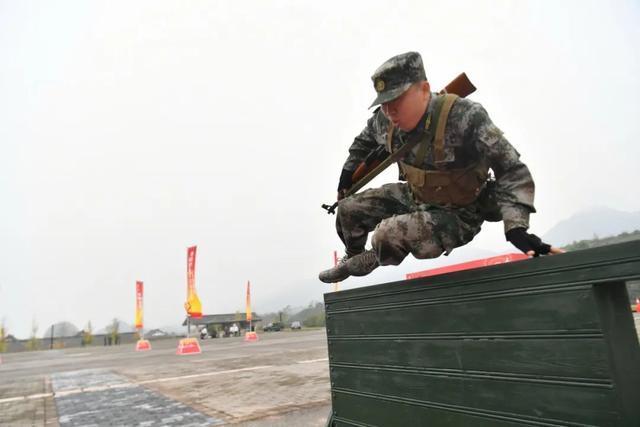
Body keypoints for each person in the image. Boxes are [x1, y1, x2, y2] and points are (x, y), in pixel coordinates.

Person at [319, 52, 562, 284]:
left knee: (387, 234)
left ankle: (376, 255)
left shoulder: (465, 117)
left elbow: (511, 170)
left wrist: (516, 227)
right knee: (348, 209)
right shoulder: (385, 121)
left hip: (459, 213)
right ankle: (353, 257)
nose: (389, 110)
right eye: (384, 103)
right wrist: (346, 175)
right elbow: (362, 143)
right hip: (416, 195)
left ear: (424, 90)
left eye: (397, 100)